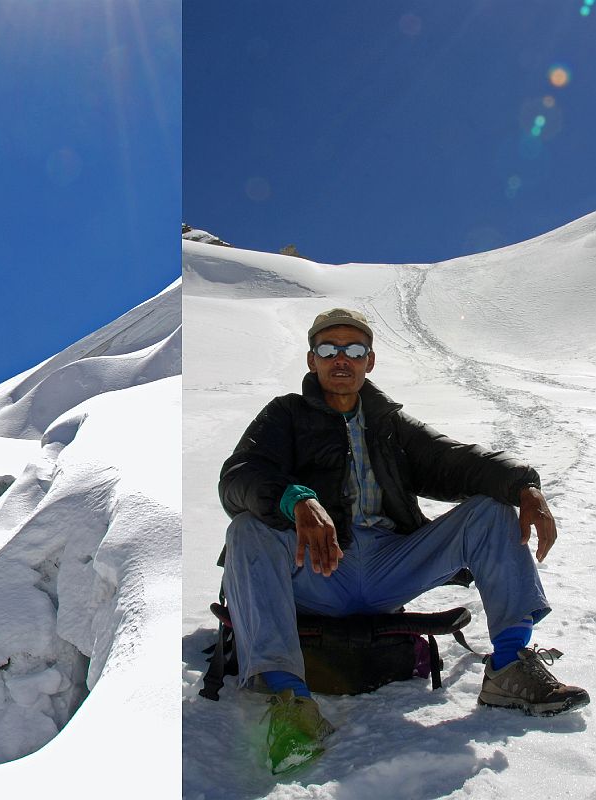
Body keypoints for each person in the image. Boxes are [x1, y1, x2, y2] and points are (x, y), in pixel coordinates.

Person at [218, 308, 589, 762]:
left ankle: (509, 664)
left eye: (353, 350)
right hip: (314, 570)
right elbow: (240, 475)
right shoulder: (285, 416)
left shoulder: (388, 424)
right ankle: (288, 700)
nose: (341, 359)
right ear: (311, 359)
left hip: (388, 567)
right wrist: (295, 499)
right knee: (246, 528)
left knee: (491, 511)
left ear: (369, 361)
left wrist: (523, 485)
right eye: (328, 349)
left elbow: (455, 461)